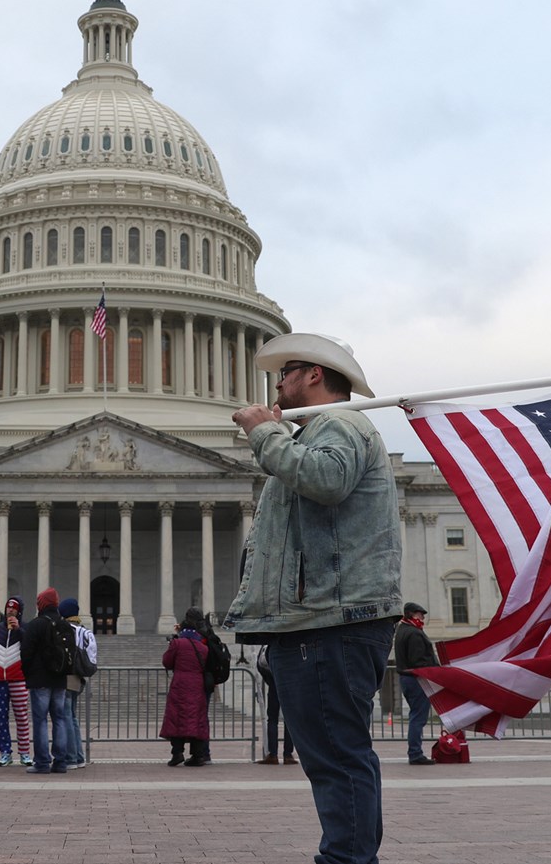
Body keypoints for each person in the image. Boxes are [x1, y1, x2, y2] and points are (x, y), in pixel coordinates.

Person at [226, 333, 401, 864]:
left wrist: (266, 435)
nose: (276, 383)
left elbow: (326, 480)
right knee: (336, 755)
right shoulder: (316, 432)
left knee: (337, 758)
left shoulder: (337, 425)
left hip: (330, 618)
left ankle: (345, 859)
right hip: (321, 617)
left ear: (314, 375)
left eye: (286, 372)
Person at [18, 587, 73, 774]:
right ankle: (60, 762)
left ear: (41, 603)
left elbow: (25, 653)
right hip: (59, 679)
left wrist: (29, 673)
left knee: (40, 720)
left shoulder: (36, 624)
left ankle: (42, 762)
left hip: (39, 679)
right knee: (60, 719)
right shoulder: (65, 624)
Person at [159, 608, 211, 767]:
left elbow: (167, 662)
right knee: (197, 718)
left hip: (180, 682)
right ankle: (197, 755)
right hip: (197, 683)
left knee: (177, 716)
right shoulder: (203, 647)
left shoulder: (177, 643)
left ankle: (177, 752)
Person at [0, 596, 31, 767]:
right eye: (8, 607)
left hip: (18, 678)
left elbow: (28, 647)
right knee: (0, 718)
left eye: (14, 608)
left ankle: (25, 752)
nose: (10, 610)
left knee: (22, 716)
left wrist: (19, 630)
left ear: (19, 611)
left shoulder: (24, 629)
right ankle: (5, 752)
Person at [392, 603, 438, 763]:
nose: (423, 617)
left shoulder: (402, 630)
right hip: (416, 679)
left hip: (407, 678)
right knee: (418, 717)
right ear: (412, 614)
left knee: (416, 715)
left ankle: (415, 752)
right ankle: (415, 753)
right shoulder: (414, 633)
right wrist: (434, 670)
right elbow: (418, 660)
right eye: (420, 614)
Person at [57, 597, 96, 769]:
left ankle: (71, 758)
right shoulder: (86, 632)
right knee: (72, 717)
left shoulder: (64, 630)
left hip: (66, 676)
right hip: (79, 677)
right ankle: (79, 756)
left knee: (66, 717)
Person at [255, 646, 293, 765]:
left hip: (274, 683)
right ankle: (288, 755)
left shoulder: (270, 645)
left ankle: (273, 754)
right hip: (289, 684)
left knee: (272, 719)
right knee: (289, 720)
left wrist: (269, 679)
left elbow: (260, 663)